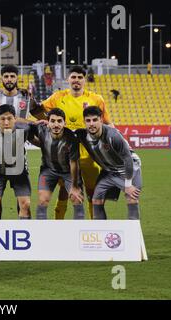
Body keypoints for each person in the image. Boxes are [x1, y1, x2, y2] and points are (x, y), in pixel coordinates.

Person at [41, 65, 114, 220]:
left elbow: (108, 124)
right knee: (65, 191)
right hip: (65, 154)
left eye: (80, 77)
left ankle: (96, 224)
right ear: (68, 79)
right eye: (73, 77)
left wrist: (115, 144)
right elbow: (40, 110)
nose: (76, 80)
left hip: (90, 153)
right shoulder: (57, 97)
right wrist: (44, 121)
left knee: (92, 191)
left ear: (84, 80)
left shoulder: (96, 99)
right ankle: (58, 223)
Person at [75, 107, 142, 219]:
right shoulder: (82, 135)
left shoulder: (113, 136)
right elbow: (64, 134)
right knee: (96, 199)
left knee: (132, 197)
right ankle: (101, 231)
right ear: (84, 122)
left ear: (101, 120)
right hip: (109, 171)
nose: (92, 124)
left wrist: (128, 184)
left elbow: (128, 159)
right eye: (88, 120)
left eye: (95, 120)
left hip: (128, 168)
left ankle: (133, 233)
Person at [0, 104, 36, 219]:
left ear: (15, 119)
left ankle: (25, 234)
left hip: (19, 171)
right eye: (2, 119)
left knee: (25, 204)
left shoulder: (25, 130)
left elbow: (39, 130)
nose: (6, 122)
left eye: (9, 118)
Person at [32, 108, 85, 219]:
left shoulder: (71, 138)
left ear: (65, 123)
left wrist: (75, 186)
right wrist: (34, 123)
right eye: (53, 121)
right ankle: (40, 233)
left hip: (68, 172)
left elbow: (74, 163)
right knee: (42, 200)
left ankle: (78, 232)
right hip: (48, 170)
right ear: (47, 122)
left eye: (59, 121)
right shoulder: (40, 129)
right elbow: (22, 127)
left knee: (77, 199)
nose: (56, 125)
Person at [0, 64, 47, 128]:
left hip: (22, 140)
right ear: (2, 79)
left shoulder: (27, 98)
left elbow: (44, 120)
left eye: (12, 76)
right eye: (6, 76)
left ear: (17, 78)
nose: (9, 79)